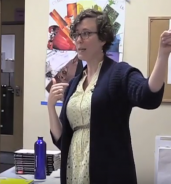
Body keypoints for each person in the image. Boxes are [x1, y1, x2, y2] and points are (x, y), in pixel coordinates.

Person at [47, 9, 169, 184]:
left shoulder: (118, 73)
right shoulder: (75, 83)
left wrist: (163, 54)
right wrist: (51, 106)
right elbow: (62, 139)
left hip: (109, 172)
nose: (79, 39)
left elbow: (148, 95)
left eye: (86, 33)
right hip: (74, 170)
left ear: (103, 38)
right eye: (77, 34)